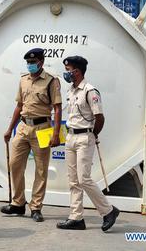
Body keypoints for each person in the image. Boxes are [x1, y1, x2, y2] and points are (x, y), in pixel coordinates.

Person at [56, 56, 119, 231]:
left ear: (78, 71)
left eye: (69, 70)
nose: (66, 73)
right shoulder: (71, 91)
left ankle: (108, 211)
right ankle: (76, 218)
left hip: (85, 138)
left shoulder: (90, 91)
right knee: (74, 180)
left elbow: (100, 117)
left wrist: (92, 134)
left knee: (84, 178)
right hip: (71, 137)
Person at [0, 48, 62, 222]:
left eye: (33, 63)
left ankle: (36, 207)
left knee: (41, 169)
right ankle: (18, 203)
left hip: (42, 128)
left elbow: (57, 109)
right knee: (14, 164)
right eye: (28, 63)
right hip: (23, 126)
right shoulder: (23, 80)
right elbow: (19, 106)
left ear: (41, 62)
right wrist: (9, 129)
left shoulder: (51, 81)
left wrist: (56, 134)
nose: (30, 65)